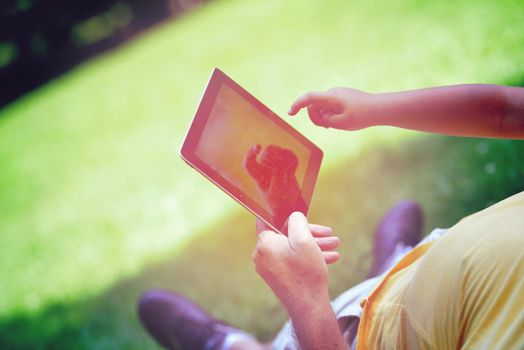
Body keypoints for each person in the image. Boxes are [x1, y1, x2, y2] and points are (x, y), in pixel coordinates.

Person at [138, 84, 524, 349]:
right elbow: (507, 111)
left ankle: (227, 343)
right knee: (398, 279)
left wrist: (306, 299)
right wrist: (374, 107)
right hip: (425, 272)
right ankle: (392, 264)